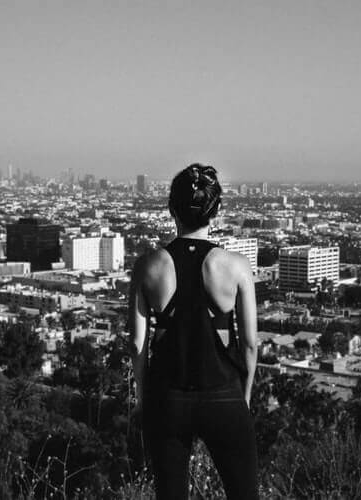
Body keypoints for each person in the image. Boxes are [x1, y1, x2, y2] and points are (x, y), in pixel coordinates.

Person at [129, 164, 259, 499]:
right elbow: (250, 344)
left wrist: (144, 398)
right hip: (223, 392)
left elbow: (137, 343)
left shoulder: (147, 266)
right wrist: (243, 396)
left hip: (167, 396)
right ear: (216, 211)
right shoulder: (236, 266)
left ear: (171, 209)